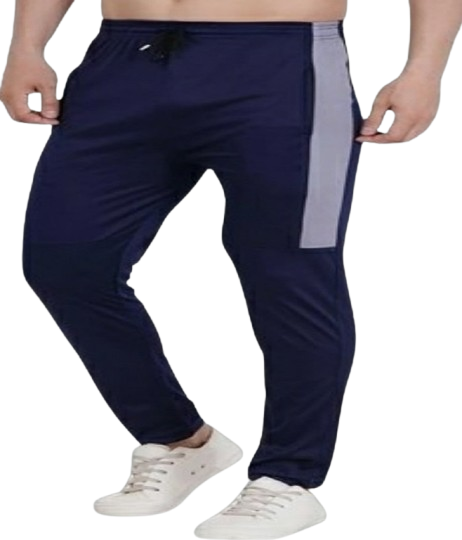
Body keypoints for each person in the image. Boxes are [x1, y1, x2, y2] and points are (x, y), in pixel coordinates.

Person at [1, 1, 460, 538]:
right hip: (124, 61)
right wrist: (26, 46)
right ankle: (181, 439)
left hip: (282, 64)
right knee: (65, 261)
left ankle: (288, 476)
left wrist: (423, 70)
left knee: (289, 272)